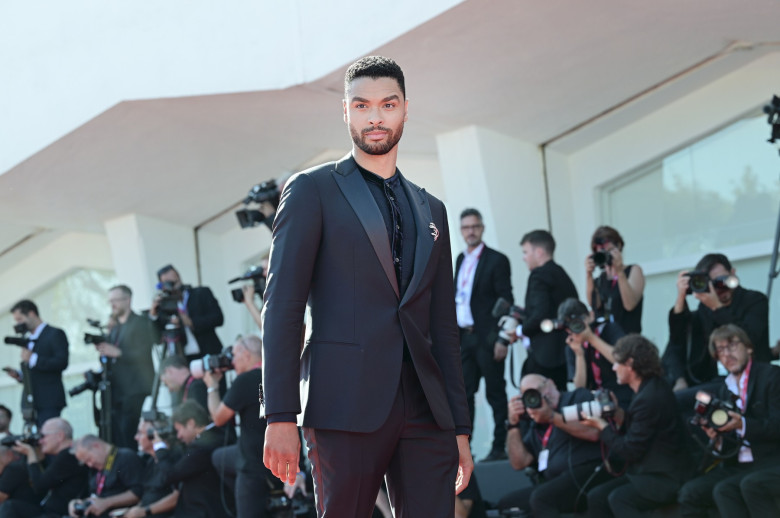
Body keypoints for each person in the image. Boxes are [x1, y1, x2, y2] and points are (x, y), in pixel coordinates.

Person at [261, 55, 472, 516]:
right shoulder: (311, 190)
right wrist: (279, 414)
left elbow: (444, 327)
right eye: (361, 106)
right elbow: (283, 306)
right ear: (345, 112)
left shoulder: (432, 209)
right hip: (343, 405)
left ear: (405, 110)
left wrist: (459, 426)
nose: (374, 117)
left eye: (387, 104)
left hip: (426, 409)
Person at [676, 324, 780, 517]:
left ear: (749, 347)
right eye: (720, 350)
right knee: (691, 491)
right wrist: (716, 437)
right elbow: (729, 445)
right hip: (739, 464)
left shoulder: (771, 376)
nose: (726, 354)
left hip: (770, 460)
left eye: (732, 346)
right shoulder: (724, 389)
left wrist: (743, 424)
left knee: (740, 487)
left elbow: (777, 425)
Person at [583, 334, 689, 518]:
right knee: (596, 497)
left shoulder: (648, 397)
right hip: (651, 472)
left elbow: (630, 450)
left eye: (617, 363)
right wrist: (616, 413)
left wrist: (602, 427)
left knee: (619, 498)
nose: (614, 367)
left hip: (665, 477)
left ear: (630, 364)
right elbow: (641, 428)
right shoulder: (650, 388)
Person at [498, 374, 609, 516]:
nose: (536, 396)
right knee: (508, 503)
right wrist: (513, 424)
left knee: (541, 498)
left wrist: (552, 416)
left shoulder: (577, 397)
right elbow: (520, 463)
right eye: (528, 395)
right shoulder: (535, 423)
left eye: (537, 390)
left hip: (590, 471)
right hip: (555, 482)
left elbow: (594, 433)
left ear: (551, 383)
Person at [454, 207, 514, 462]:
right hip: (463, 338)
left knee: (495, 394)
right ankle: (464, 452)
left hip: (487, 338)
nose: (471, 231)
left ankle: (500, 447)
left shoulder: (497, 260)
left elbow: (506, 300)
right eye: (466, 227)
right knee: (464, 397)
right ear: (461, 230)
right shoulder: (460, 259)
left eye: (475, 226)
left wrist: (501, 338)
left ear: (482, 228)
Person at [665, 253, 769, 392]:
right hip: (715, 381)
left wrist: (717, 307)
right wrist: (681, 298)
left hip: (753, 380)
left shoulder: (755, 300)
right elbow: (677, 339)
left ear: (733, 273)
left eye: (723, 280)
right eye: (712, 284)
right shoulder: (704, 308)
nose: (719, 288)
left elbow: (749, 338)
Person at [205, 335, 275, 518]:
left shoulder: (245, 380)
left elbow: (218, 418)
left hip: (252, 464)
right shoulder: (275, 374)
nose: (232, 362)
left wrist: (212, 386)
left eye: (234, 355)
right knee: (218, 457)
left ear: (246, 354)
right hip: (279, 455)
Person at [93, 285, 157, 448]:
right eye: (110, 301)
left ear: (127, 300)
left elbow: (143, 352)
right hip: (118, 391)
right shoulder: (115, 329)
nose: (112, 305)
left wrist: (119, 352)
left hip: (135, 388)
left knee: (129, 432)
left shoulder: (140, 322)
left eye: (116, 300)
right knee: (119, 434)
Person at [519, 230, 578, 390]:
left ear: (539, 252)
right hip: (564, 354)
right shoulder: (562, 274)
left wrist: (520, 330)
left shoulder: (538, 275)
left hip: (545, 356)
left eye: (525, 252)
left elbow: (540, 314)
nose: (524, 257)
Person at [0, 417, 88, 518]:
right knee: (11, 506)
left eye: (43, 436)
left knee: (9, 507)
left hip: (58, 513)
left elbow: (39, 486)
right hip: (48, 510)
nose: (40, 441)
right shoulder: (64, 455)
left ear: (60, 436)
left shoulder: (69, 455)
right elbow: (47, 478)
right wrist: (39, 457)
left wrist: (30, 454)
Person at [156, 400, 229, 518]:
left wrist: (159, 448)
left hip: (202, 512)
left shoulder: (203, 445)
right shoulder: (218, 435)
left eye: (179, 430)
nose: (178, 436)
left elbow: (170, 475)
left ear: (191, 423)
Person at [559, 298, 632, 409]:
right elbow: (580, 387)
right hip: (595, 401)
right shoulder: (571, 347)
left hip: (623, 394)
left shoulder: (609, 329)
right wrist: (579, 355)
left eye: (578, 322)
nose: (575, 329)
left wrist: (591, 338)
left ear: (591, 316)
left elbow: (621, 359)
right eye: (570, 326)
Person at [5, 300, 68, 427]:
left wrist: (34, 358)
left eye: (20, 319)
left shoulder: (54, 334)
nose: (18, 324)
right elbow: (36, 371)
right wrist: (20, 375)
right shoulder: (28, 339)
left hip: (49, 400)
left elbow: (61, 363)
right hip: (30, 402)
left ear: (32, 314)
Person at [150, 264, 224, 362]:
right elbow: (156, 338)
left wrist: (191, 322)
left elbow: (218, 318)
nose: (173, 286)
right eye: (168, 283)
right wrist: (153, 314)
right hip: (183, 359)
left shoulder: (201, 293)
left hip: (208, 353)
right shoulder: (164, 305)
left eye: (174, 281)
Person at [585, 226, 644, 334]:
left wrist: (619, 271)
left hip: (628, 341)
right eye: (601, 252)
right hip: (606, 342)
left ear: (619, 246)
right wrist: (588, 274)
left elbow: (629, 305)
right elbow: (594, 304)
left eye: (610, 250)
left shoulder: (633, 271)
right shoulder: (600, 279)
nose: (606, 255)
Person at [68, 434, 143, 518]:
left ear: (96, 446)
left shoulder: (125, 457)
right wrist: (75, 503)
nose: (90, 464)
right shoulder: (96, 467)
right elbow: (92, 495)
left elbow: (138, 492)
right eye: (86, 462)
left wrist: (106, 503)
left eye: (89, 459)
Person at [122, 418, 180, 518]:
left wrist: (145, 511)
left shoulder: (172, 459)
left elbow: (178, 496)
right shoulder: (150, 462)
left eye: (140, 433)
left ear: (153, 436)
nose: (136, 437)